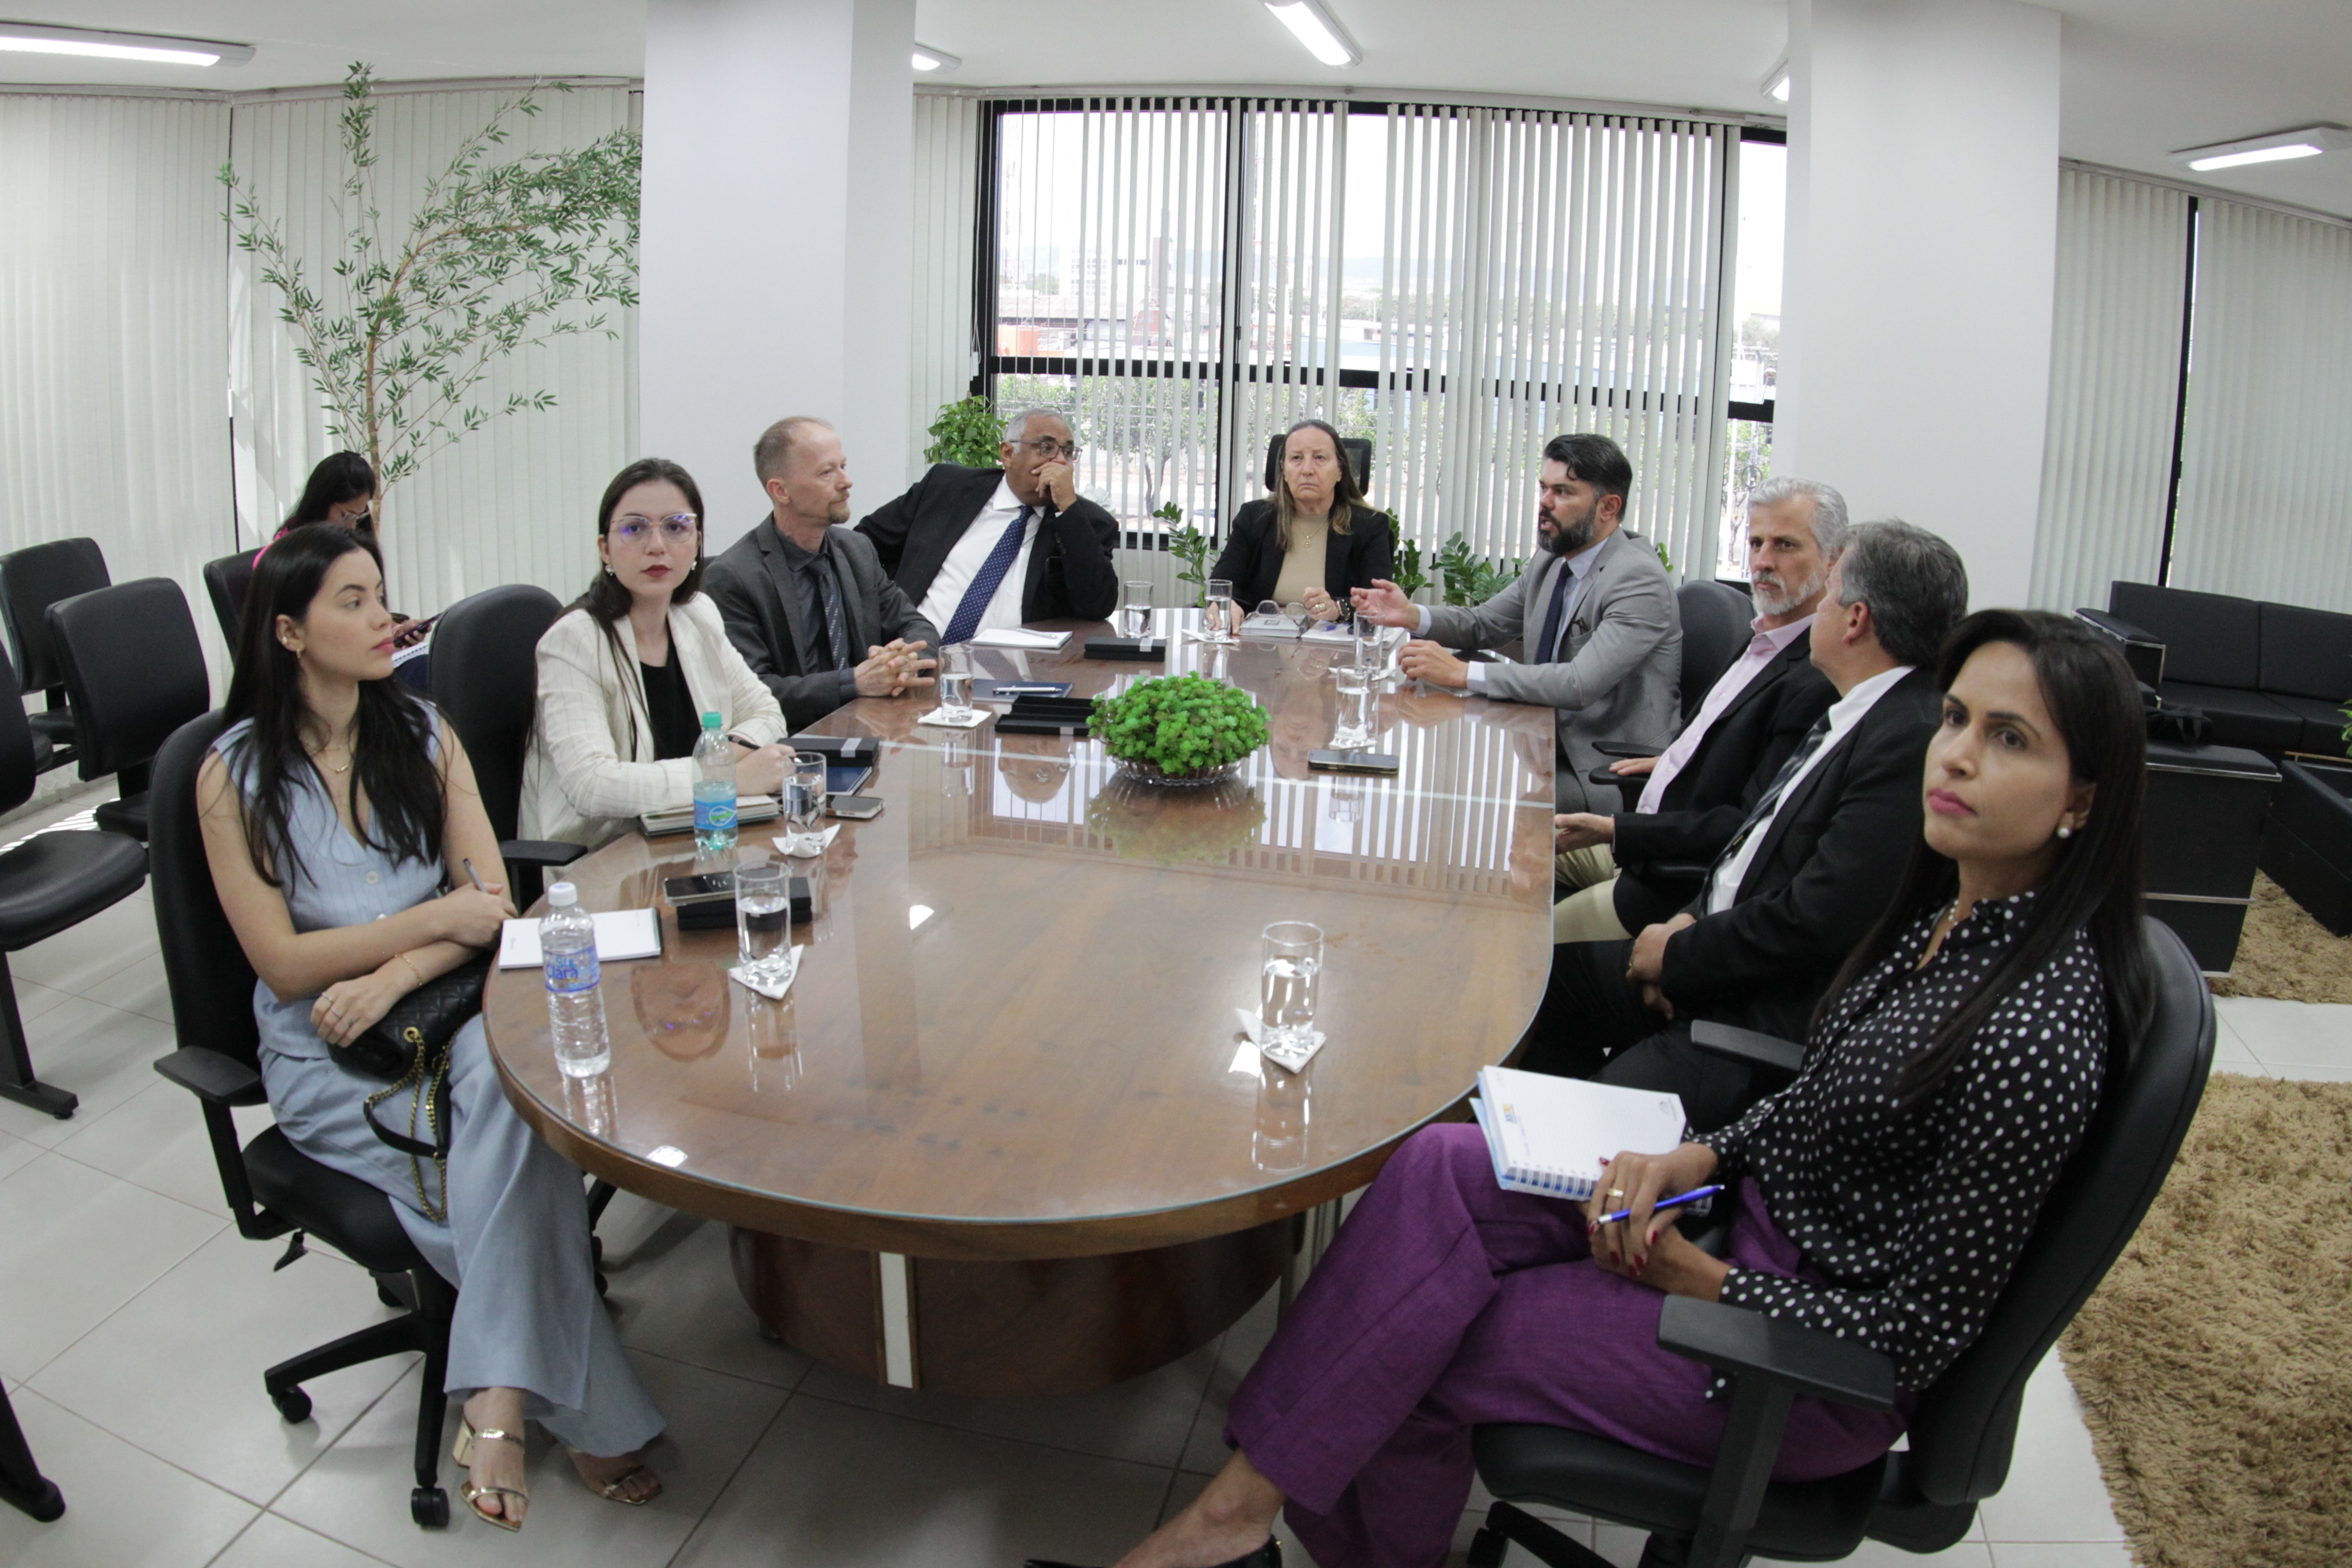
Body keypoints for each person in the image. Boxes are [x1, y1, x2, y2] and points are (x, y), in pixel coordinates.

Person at [1088, 607, 2153, 1568]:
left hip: (1786, 1350)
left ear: (2083, 797)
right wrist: (1703, 1156)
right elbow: (1821, 1093)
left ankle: (1241, 1530)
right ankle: (1238, 1519)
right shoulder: (1950, 914)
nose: (1955, 754)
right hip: (1735, 1210)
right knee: (1434, 1165)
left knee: (1427, 1326)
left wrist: (1700, 1279)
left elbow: (1916, 1331)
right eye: (1957, 716)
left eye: (2008, 738)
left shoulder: (2034, 1033)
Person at [196, 525, 664, 1532]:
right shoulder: (229, 777)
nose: (384, 620)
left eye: (381, 597)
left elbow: (490, 902)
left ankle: (495, 1401)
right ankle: (583, 1416)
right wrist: (439, 922)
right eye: (353, 603)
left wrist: (405, 962)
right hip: (329, 1050)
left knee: (509, 1094)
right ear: (287, 631)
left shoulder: (422, 734)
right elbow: (284, 964)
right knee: (502, 1178)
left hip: (441, 1012)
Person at [1528, 521, 1968, 1132]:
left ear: (1855, 620)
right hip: (1717, 954)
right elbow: (1754, 847)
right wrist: (1687, 924)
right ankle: (1549, 1139)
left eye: (1831, 589)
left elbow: (1818, 920)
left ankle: (1566, 1152)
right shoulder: (1863, 708)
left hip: (1755, 1022)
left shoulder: (1906, 740)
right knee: (1541, 989)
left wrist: (1683, 958)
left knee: (1562, 1110)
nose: (1817, 607)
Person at [1551, 477, 1847, 944]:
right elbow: (1732, 747)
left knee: (1522, 942)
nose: (1764, 561)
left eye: (1786, 545)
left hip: (1664, 883)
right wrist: (1677, 758)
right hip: (1643, 844)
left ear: (1834, 559)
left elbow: (1748, 825)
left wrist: (1613, 829)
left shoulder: (1816, 678)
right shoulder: (1764, 638)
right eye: (1756, 542)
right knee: (1502, 852)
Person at [1351, 432, 1680, 811]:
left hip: (1603, 766)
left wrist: (1461, 673)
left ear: (1608, 507)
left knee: (1483, 804)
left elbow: (1577, 684)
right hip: (1543, 738)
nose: (1545, 502)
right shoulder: (1554, 558)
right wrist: (1411, 615)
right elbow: (1484, 624)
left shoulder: (1638, 580)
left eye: (1563, 492)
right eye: (1544, 488)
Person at [520, 457, 794, 848]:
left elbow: (767, 712)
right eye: (634, 529)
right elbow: (591, 785)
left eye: (676, 527)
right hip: (606, 858)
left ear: (698, 542)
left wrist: (718, 761)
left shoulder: (697, 615)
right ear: (605, 549)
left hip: (699, 833)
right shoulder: (575, 640)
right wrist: (723, 778)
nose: (656, 546)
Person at [704, 416, 939, 729]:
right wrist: (853, 682)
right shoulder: (734, 576)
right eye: (827, 472)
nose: (846, 481)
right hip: (790, 749)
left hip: (871, 732)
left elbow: (915, 625)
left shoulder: (857, 550)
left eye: (843, 466)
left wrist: (904, 660)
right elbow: (752, 692)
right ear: (780, 491)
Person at [856, 407, 1121, 635]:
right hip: (910, 656)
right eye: (1047, 448)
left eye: (1068, 452)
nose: (1061, 461)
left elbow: (1096, 606)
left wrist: (1068, 510)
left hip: (1014, 673)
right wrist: (886, 605)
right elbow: (862, 544)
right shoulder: (946, 488)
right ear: (1008, 454)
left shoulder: (1088, 523)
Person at [1207, 419, 1396, 621]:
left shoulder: (1370, 525)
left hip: (1336, 647)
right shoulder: (1255, 518)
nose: (1307, 469)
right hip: (1262, 642)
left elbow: (1378, 601)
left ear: (1340, 470)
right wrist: (1226, 606)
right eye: (1296, 458)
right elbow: (1222, 586)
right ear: (1284, 470)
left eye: (1320, 458)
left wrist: (1338, 608)